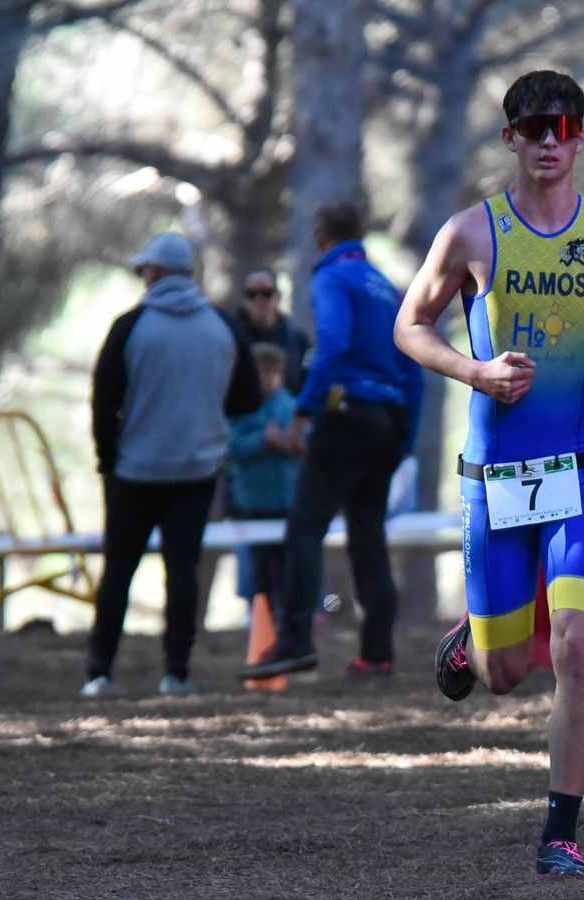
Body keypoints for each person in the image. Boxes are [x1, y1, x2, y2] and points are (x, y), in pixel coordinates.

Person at [391, 70, 584, 878]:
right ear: (510, 138)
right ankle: (470, 644)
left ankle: (560, 834)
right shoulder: (470, 233)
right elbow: (410, 325)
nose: (548, 140)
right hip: (497, 477)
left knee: (577, 647)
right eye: (532, 127)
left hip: (580, 471)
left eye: (563, 127)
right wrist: (473, 371)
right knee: (505, 672)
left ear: (581, 137)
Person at [238, 202, 423, 681]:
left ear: (320, 235)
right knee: (368, 539)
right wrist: (405, 435)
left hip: (346, 418)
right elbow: (413, 366)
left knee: (304, 528)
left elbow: (334, 346)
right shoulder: (387, 288)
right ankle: (376, 655)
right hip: (387, 423)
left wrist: (303, 413)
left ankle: (296, 641)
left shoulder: (332, 279)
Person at [84, 232, 261, 698]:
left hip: (135, 471)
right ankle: (177, 672)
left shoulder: (130, 326)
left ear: (155, 273)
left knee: (119, 570)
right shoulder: (222, 327)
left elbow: (103, 402)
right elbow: (247, 398)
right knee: (182, 572)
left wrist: (108, 459)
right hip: (196, 471)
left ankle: (100, 670)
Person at [227, 343, 300, 611]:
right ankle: (255, 613)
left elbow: (306, 445)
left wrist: (290, 445)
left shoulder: (292, 407)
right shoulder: (239, 407)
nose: (268, 379)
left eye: (273, 372)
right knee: (255, 568)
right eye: (262, 372)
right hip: (251, 504)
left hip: (287, 502)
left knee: (286, 568)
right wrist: (263, 440)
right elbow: (231, 447)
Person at [233, 267, 312, 396]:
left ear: (278, 297)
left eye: (266, 293)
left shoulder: (298, 341)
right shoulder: (232, 338)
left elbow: (306, 381)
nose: (259, 299)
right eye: (251, 294)